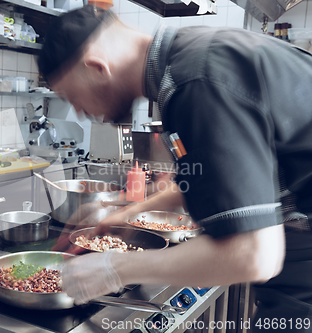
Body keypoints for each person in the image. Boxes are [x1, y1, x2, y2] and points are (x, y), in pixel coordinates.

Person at [37, 5, 312, 332]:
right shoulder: (187, 62)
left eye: (71, 97)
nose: (79, 113)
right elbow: (206, 178)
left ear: (97, 67)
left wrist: (114, 268)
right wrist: (125, 215)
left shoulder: (194, 82)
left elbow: (254, 256)